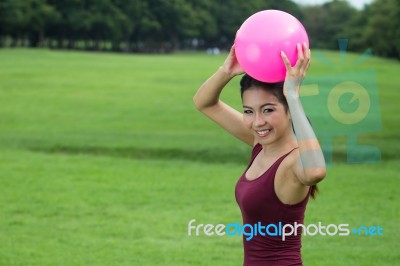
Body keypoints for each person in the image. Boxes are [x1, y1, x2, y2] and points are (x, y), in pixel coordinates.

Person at [193, 42, 326, 266]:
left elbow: (315, 172)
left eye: (268, 110)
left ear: (289, 111)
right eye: (248, 111)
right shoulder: (262, 145)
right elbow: (204, 103)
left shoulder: (293, 161)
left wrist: (293, 96)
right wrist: (226, 71)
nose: (257, 122)